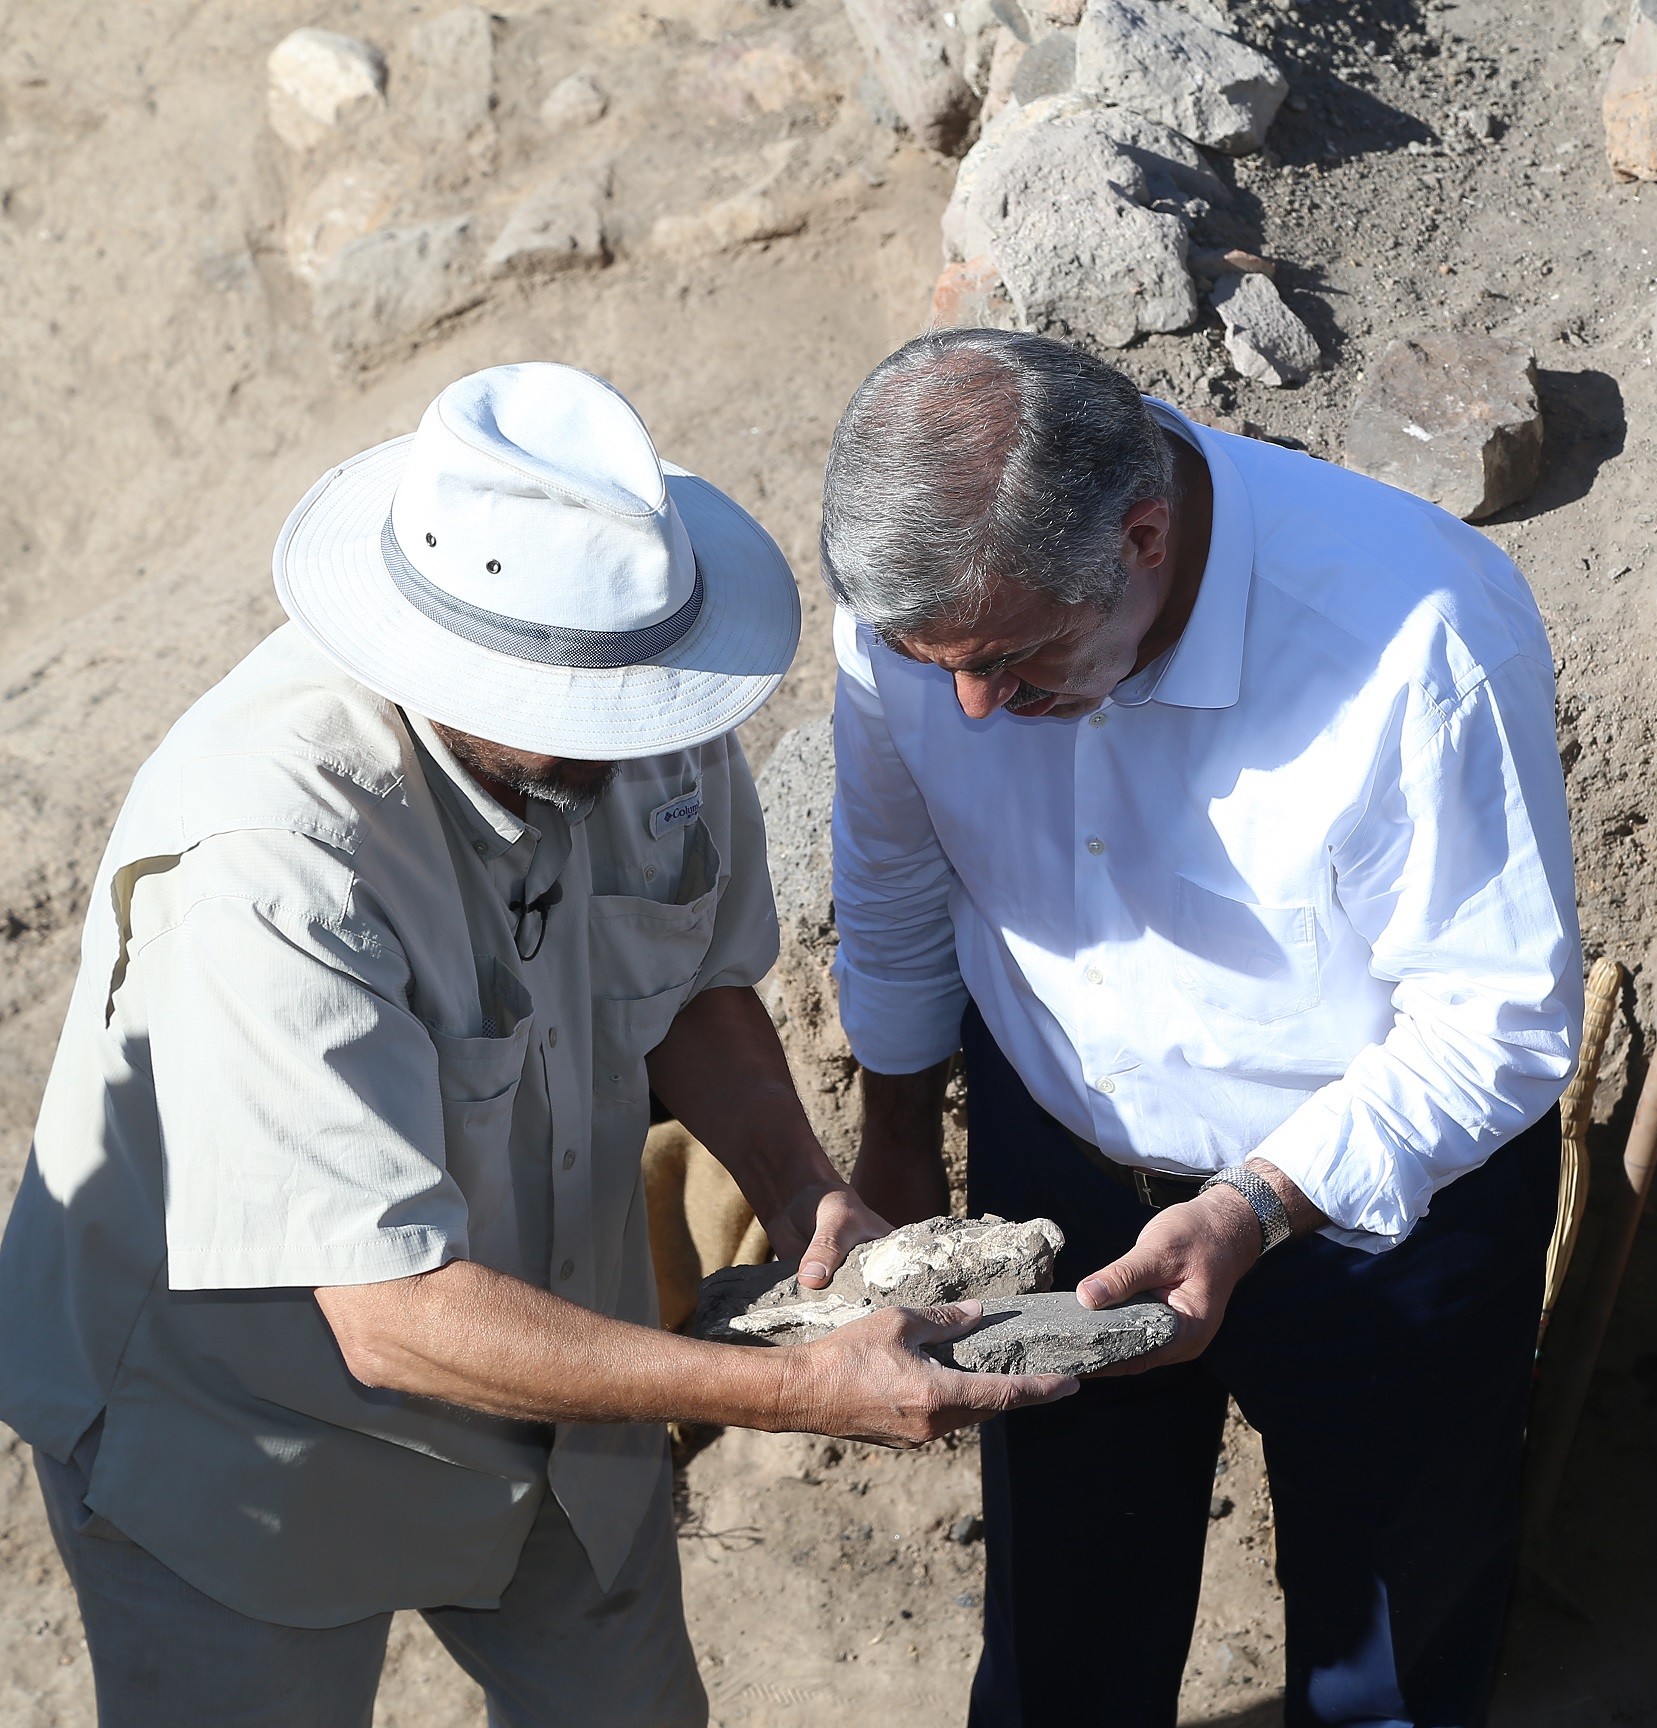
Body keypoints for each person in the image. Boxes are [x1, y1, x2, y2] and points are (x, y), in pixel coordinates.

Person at [0, 362, 1073, 1728]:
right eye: (594, 724)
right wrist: (797, 1389)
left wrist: (805, 1186)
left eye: (652, 707)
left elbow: (686, 982)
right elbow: (393, 1313)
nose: (642, 751)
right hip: (233, 1438)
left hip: (564, 1384)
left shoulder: (643, 706)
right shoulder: (275, 858)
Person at [819, 328, 1583, 1726]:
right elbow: (894, 869)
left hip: (1376, 1216)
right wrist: (896, 1145)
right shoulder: (934, 614)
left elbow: (1499, 1023)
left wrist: (1254, 1208)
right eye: (941, 671)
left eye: (1012, 661)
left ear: (1147, 536)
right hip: (1057, 1175)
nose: (974, 707)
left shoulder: (1413, 636)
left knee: (1388, 1668)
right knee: (1063, 1642)